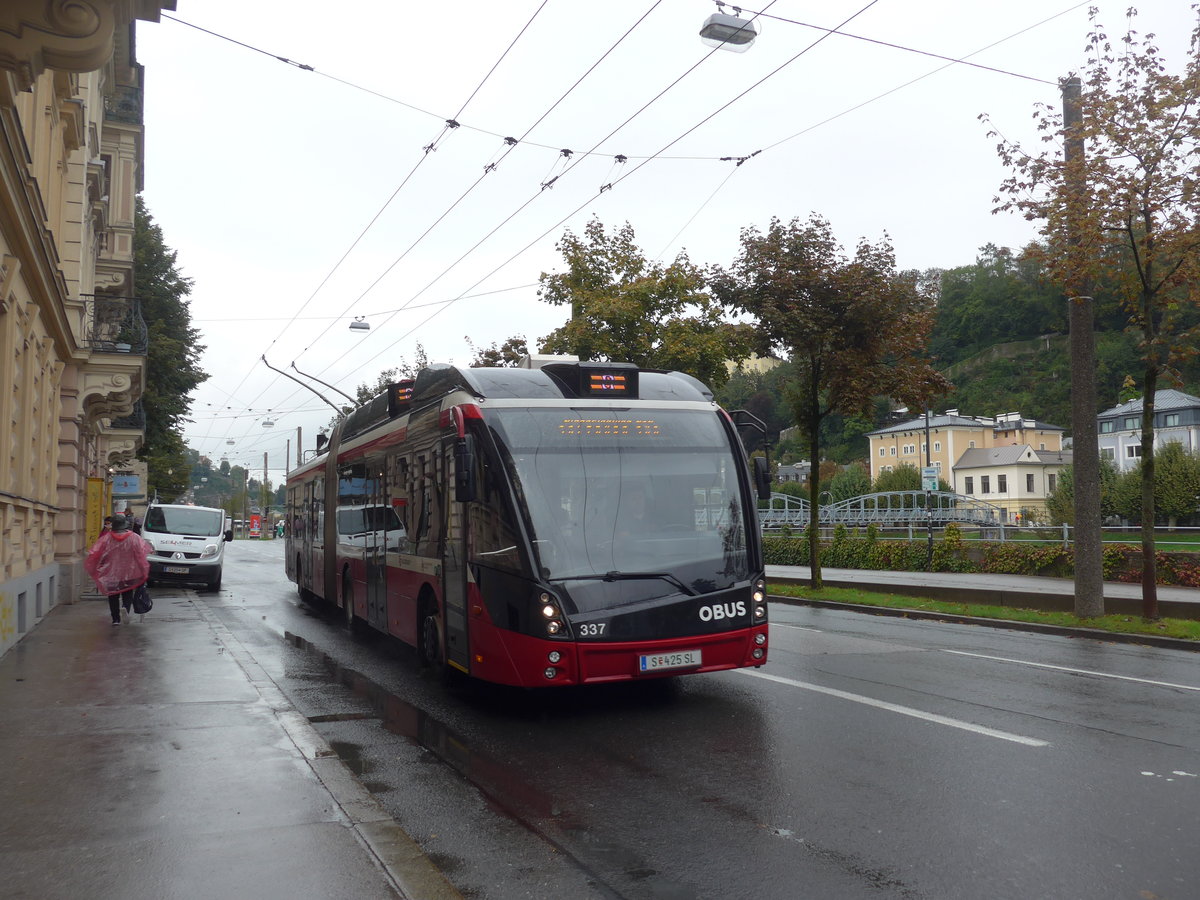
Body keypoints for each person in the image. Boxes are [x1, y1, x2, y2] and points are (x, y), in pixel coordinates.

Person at [85, 515, 153, 625]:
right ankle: (125, 608)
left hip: (111, 573)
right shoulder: (134, 537)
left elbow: (96, 554)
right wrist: (143, 570)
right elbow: (140, 554)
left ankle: (115, 619)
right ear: (124, 525)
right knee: (127, 593)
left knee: (113, 595)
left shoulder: (106, 538)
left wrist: (96, 569)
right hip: (129, 572)